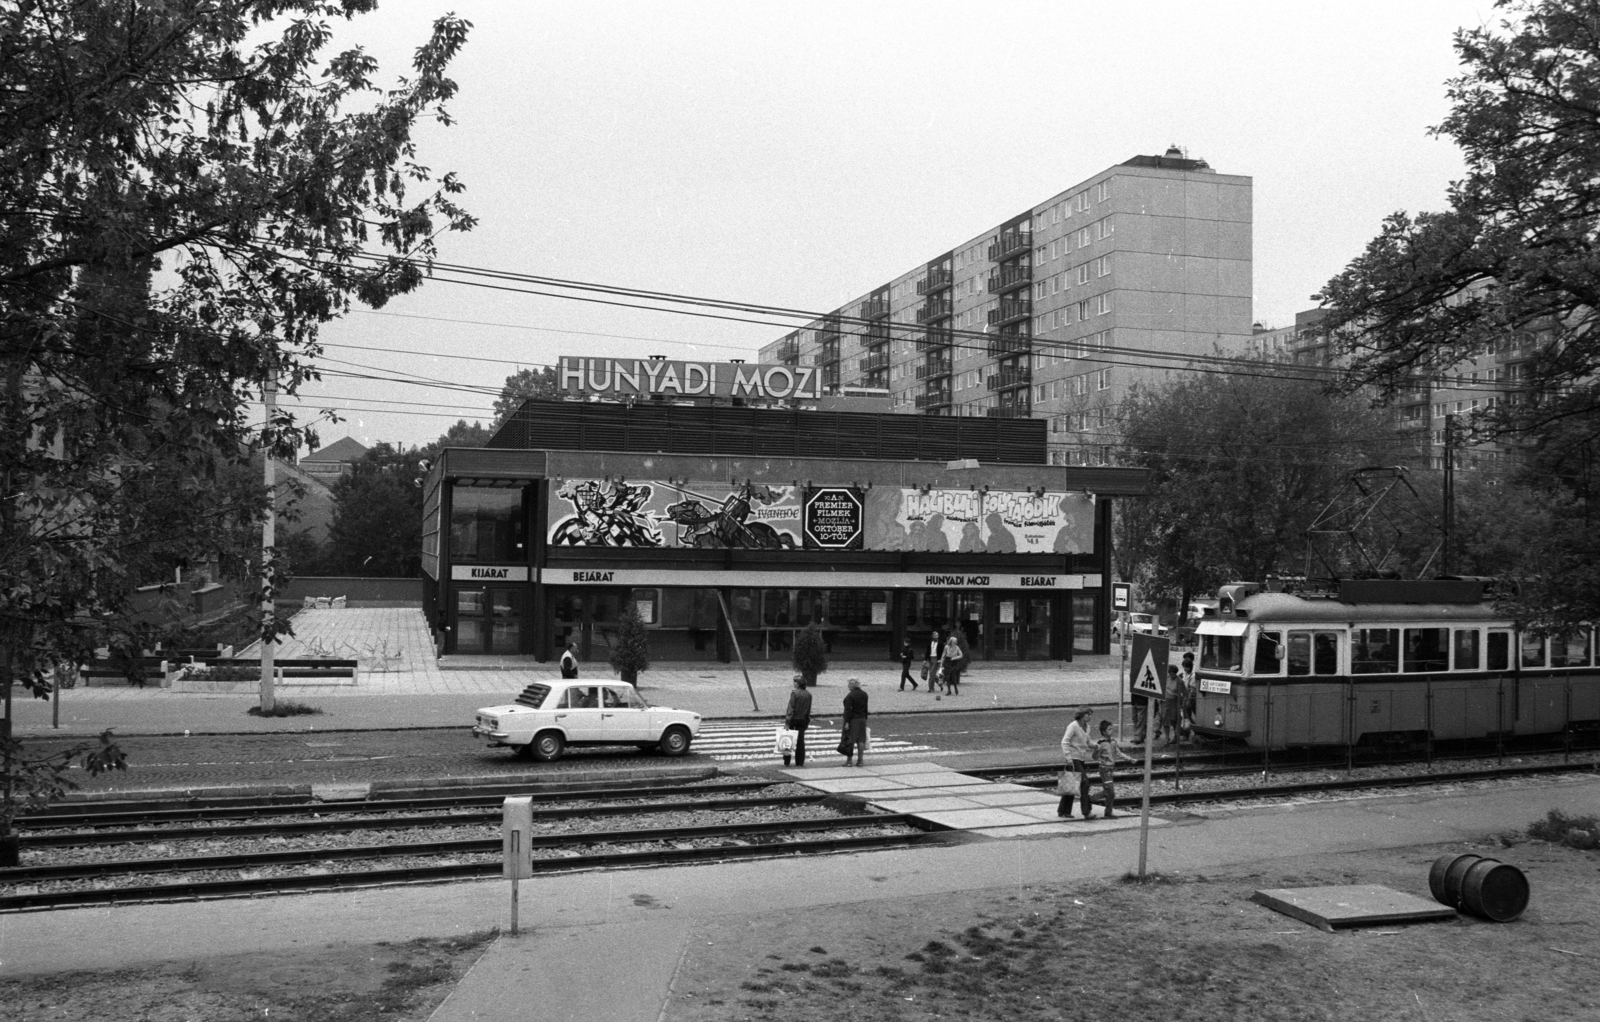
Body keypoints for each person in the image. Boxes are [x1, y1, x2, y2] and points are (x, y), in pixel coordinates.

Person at [1057, 706, 1094, 819]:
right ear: (1082, 715)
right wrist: (1068, 758)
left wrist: (1097, 746)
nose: (1090, 716)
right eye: (1088, 714)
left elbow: (1088, 742)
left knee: (1072, 784)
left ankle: (1063, 811)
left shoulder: (1087, 727)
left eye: (1090, 714)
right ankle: (1086, 812)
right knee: (1084, 783)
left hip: (1081, 759)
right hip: (1073, 760)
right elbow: (1065, 742)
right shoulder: (1073, 726)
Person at [1094, 719, 1134, 818]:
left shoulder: (1113, 742)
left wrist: (1129, 759)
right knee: (1110, 792)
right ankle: (1092, 800)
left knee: (1109, 791)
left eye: (1112, 729)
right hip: (1104, 769)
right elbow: (1094, 757)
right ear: (1104, 732)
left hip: (1110, 769)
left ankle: (1092, 801)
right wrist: (1096, 751)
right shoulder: (1101, 743)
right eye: (1109, 729)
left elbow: (1118, 753)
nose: (1112, 731)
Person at [783, 673, 812, 767]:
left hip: (794, 719)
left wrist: (787, 722)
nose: (794, 683)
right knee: (800, 741)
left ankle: (787, 761)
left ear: (798, 684)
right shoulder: (808, 694)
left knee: (788, 740)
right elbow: (808, 709)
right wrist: (807, 720)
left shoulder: (794, 693)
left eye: (795, 681)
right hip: (803, 719)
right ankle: (800, 761)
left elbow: (791, 709)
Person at [841, 677, 869, 766]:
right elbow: (866, 709)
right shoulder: (864, 694)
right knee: (861, 740)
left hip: (853, 720)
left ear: (852, 685)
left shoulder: (850, 696)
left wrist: (846, 722)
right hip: (862, 719)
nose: (848, 686)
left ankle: (849, 761)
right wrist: (865, 719)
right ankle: (860, 760)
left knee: (851, 740)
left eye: (849, 684)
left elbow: (847, 711)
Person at [1161, 665, 1185, 745]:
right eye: (1170, 674)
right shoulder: (1165, 679)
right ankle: (1167, 737)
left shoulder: (1180, 681)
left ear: (1175, 673)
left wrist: (1182, 702)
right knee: (1165, 719)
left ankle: (1176, 736)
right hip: (1165, 702)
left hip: (1175, 702)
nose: (1171, 676)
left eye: (1173, 674)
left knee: (1174, 720)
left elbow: (1185, 693)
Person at [942, 630, 963, 696]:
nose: (956, 642)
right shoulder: (946, 647)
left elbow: (961, 655)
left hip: (954, 662)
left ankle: (955, 687)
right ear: (952, 642)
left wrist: (955, 658)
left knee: (953, 676)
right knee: (947, 677)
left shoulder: (957, 647)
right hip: (947, 662)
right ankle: (949, 691)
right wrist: (941, 664)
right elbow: (943, 655)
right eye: (955, 641)